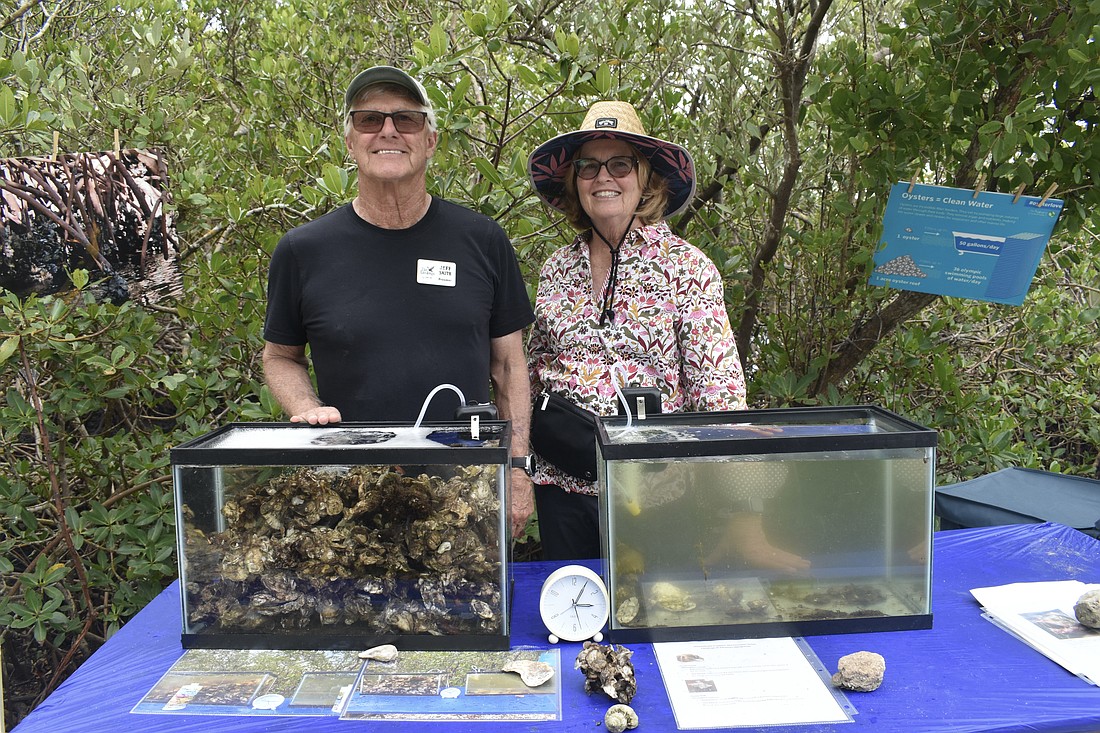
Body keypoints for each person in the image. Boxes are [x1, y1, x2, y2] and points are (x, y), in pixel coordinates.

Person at [262, 65, 536, 535]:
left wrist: (516, 467)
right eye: (369, 120)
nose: (388, 130)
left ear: (430, 140)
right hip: (349, 496)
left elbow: (509, 366)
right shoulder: (303, 250)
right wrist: (304, 405)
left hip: (466, 491)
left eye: (406, 119)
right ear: (350, 142)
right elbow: (280, 357)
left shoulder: (482, 239)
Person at [525, 100, 754, 560]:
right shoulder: (557, 268)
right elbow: (533, 372)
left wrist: (742, 512)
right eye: (588, 166)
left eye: (620, 164)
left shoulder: (687, 268)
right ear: (574, 181)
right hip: (561, 489)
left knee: (657, 615)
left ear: (646, 177)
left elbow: (720, 396)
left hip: (661, 494)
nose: (603, 177)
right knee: (574, 620)